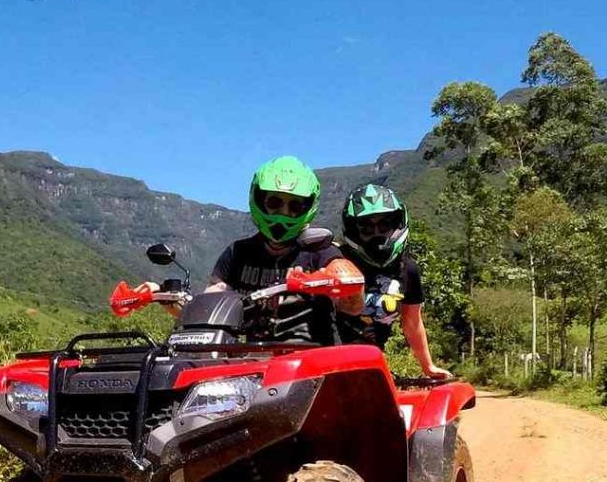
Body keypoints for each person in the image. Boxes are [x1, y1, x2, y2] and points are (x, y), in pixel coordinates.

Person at [136, 155, 363, 343]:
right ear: (259, 200)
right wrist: (164, 296)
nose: (283, 213)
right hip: (252, 363)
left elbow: (353, 303)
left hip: (313, 361)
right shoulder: (239, 252)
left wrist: (342, 276)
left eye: (294, 206)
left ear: (307, 208)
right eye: (274, 203)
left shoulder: (318, 249)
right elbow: (210, 312)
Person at [337, 183, 450, 379]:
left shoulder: (407, 269)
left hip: (371, 362)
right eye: (366, 226)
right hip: (329, 359)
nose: (377, 233)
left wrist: (428, 366)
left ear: (397, 223)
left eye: (384, 224)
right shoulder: (337, 261)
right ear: (354, 230)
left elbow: (412, 322)